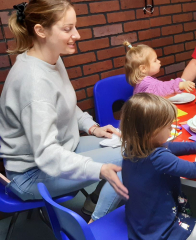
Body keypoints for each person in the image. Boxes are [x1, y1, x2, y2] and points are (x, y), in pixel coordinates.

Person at [0, 0, 128, 223]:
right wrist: (97, 169)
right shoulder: (33, 82)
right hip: (30, 174)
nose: (76, 35)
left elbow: (65, 104)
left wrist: (93, 128)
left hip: (62, 147)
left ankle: (93, 203)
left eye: (75, 27)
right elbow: (47, 155)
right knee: (128, 157)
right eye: (68, 29)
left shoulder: (52, 57)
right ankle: (95, 228)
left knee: (129, 145)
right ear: (40, 31)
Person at [120, 93, 196, 240]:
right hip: (157, 226)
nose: (171, 129)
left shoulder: (134, 147)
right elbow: (193, 170)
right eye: (168, 127)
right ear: (152, 133)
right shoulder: (158, 158)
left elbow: (170, 146)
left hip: (139, 216)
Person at [123, 41, 195, 97]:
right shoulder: (146, 83)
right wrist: (180, 85)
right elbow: (162, 88)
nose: (159, 61)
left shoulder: (140, 81)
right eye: (155, 60)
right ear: (143, 68)